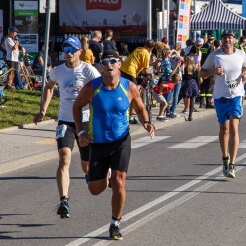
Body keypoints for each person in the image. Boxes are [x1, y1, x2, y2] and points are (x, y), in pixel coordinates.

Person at [73, 50, 155, 241]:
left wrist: (147, 123)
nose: (109, 65)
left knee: (119, 182)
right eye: (105, 62)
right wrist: (81, 132)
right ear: (101, 66)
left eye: (113, 61)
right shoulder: (92, 88)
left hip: (121, 141)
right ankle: (100, 176)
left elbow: (140, 108)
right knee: (95, 190)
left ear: (119, 64)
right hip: (98, 143)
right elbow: (76, 107)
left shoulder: (129, 87)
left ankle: (115, 223)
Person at [33, 36, 101, 219]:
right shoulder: (57, 71)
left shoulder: (89, 70)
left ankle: (88, 174)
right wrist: (43, 110)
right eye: (66, 49)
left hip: (86, 122)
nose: (69, 53)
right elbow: (48, 87)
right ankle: (64, 200)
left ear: (80, 51)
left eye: (72, 49)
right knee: (64, 159)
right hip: (65, 122)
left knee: (85, 165)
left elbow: (101, 90)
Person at [199, 30, 246, 179]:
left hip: (236, 95)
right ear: (221, 40)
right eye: (224, 38)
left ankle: (232, 164)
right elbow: (201, 73)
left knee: (234, 127)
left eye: (230, 37)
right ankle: (224, 157)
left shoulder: (241, 54)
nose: (227, 40)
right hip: (220, 96)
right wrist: (213, 71)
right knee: (224, 128)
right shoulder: (215, 55)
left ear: (234, 40)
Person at [119, 39, 155, 123]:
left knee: (129, 92)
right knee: (134, 94)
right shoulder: (146, 54)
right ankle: (130, 116)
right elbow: (145, 70)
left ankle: (130, 114)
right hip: (130, 72)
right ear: (152, 48)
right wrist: (151, 74)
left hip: (123, 70)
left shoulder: (138, 49)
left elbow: (137, 63)